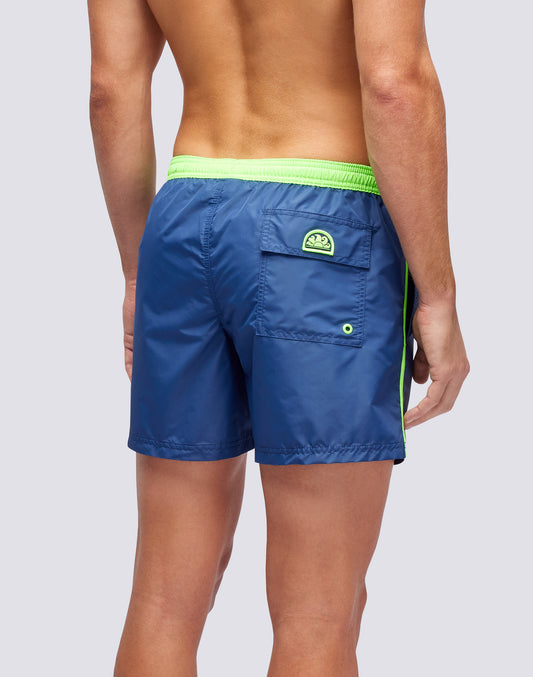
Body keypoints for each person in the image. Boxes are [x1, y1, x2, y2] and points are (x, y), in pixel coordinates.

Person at [88, 0, 470, 674]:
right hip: (323, 230)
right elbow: (394, 83)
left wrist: (136, 270)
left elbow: (110, 89)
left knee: (163, 601)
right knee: (318, 615)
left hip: (185, 217)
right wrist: (438, 294)